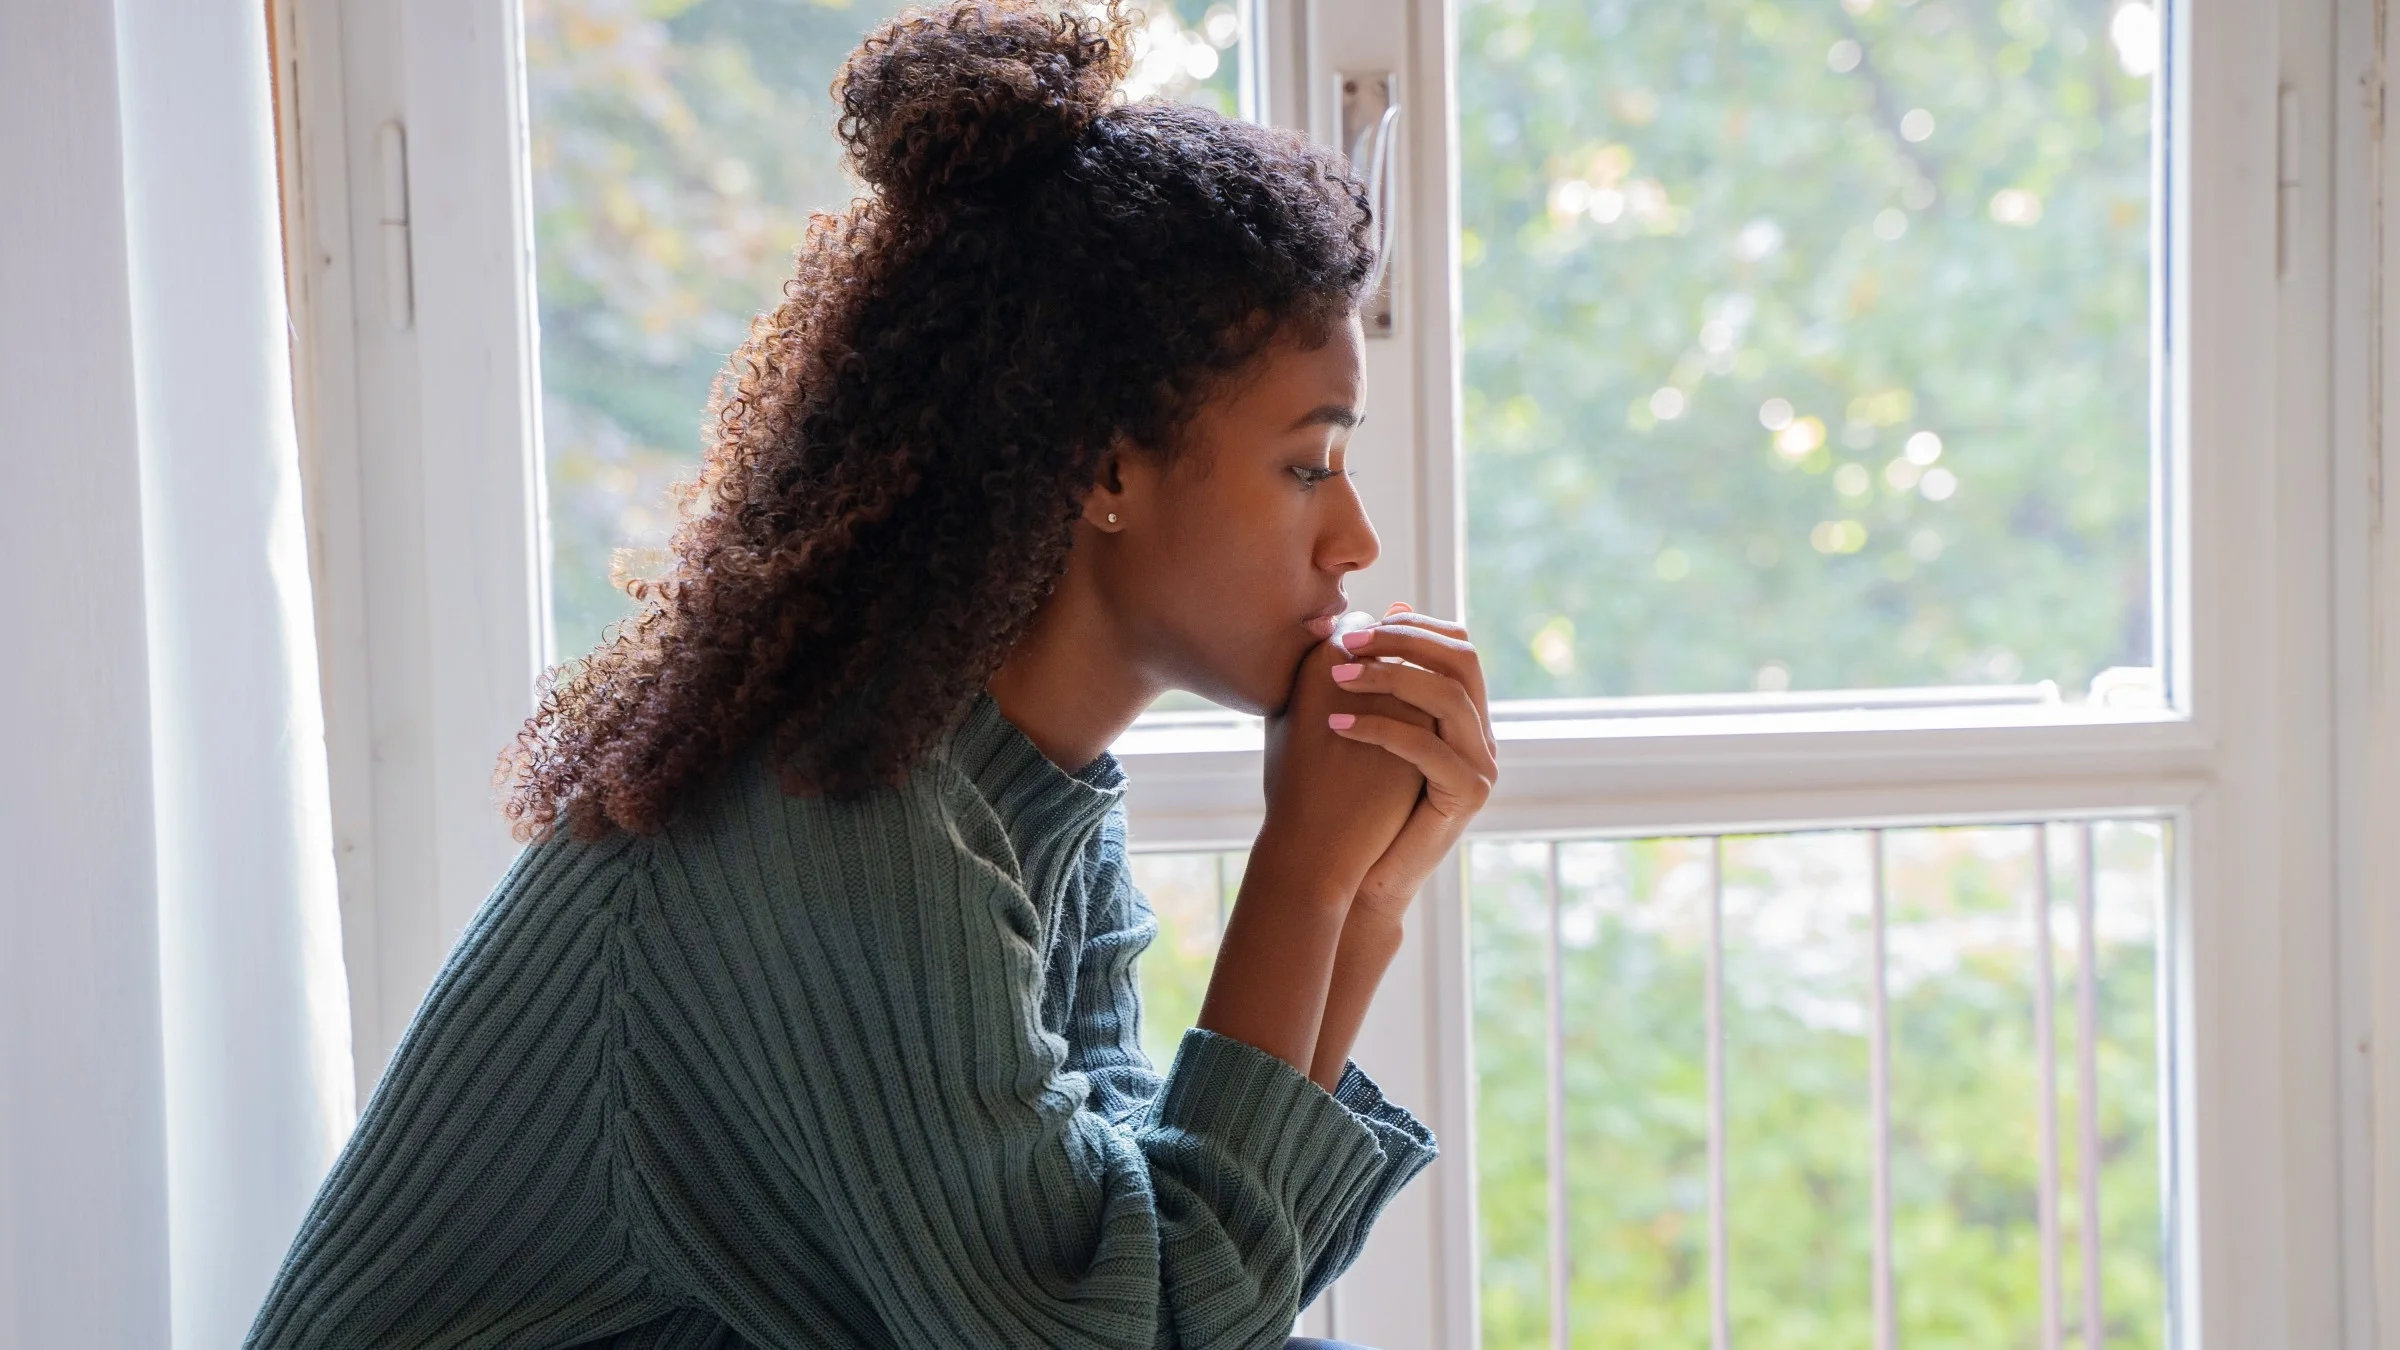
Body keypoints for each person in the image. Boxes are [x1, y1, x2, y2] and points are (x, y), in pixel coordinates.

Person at [246, 1, 1496, 1345]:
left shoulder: (1013, 798)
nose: (1355, 539)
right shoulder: (853, 819)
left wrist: (1360, 900)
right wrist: (1305, 880)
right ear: (1106, 466)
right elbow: (1103, 1333)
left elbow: (1166, 1276)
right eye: (1308, 465)